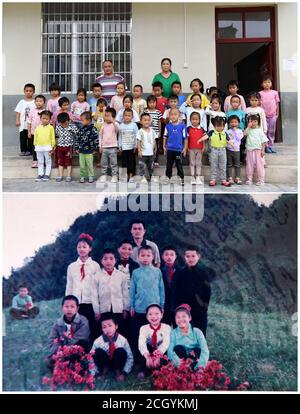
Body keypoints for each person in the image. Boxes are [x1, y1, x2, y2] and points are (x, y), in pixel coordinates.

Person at [171, 246, 215, 336]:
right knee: (183, 334)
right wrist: (177, 308)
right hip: (183, 310)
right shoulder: (179, 273)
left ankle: (199, 349)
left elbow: (207, 291)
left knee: (200, 333)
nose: (190, 259)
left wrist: (204, 307)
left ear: (198, 256)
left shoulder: (203, 273)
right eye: (188, 256)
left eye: (193, 256)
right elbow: (174, 292)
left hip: (199, 310)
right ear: (184, 257)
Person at [65, 233, 100, 340]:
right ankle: (80, 349)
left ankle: (95, 350)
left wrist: (98, 306)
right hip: (77, 303)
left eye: (84, 247)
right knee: (78, 327)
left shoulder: (95, 265)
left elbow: (99, 286)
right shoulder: (72, 267)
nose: (82, 249)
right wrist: (68, 304)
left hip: (90, 302)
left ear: (90, 249)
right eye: (79, 247)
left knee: (94, 327)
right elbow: (69, 285)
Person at [129, 246, 165, 349]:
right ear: (138, 257)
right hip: (140, 307)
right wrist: (131, 306)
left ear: (153, 257)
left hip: (154, 307)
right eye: (142, 255)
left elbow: (161, 289)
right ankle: (140, 354)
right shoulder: (136, 272)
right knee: (139, 331)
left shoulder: (157, 272)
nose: (145, 258)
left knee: (154, 332)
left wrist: (161, 305)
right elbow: (132, 290)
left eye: (148, 255)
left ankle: (155, 353)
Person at [92, 249, 130, 337]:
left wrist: (126, 309)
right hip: (104, 310)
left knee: (120, 331)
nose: (108, 261)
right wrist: (97, 311)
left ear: (115, 260)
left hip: (118, 309)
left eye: (111, 258)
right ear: (101, 261)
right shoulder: (97, 276)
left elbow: (125, 294)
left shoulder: (121, 276)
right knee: (106, 331)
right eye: (105, 259)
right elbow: (94, 295)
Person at [91, 313, 133, 381]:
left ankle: (118, 373)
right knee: (97, 352)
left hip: (118, 362)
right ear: (102, 329)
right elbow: (90, 358)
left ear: (116, 326)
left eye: (110, 326)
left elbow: (130, 357)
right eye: (104, 327)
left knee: (120, 351)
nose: (107, 329)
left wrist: (125, 372)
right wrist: (95, 373)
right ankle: (104, 372)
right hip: (105, 362)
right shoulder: (98, 341)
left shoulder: (123, 340)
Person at [168, 304, 209, 370]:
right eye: (178, 317)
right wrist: (179, 364)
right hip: (180, 359)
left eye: (184, 316)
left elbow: (205, 349)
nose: (181, 319)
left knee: (198, 350)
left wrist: (200, 367)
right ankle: (181, 370)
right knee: (178, 348)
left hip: (194, 358)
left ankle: (195, 368)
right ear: (175, 319)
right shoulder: (173, 333)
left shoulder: (197, 332)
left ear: (190, 318)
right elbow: (170, 350)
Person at [138, 304, 171, 379]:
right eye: (150, 314)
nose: (154, 317)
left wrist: (158, 355)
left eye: (157, 314)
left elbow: (166, 342)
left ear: (162, 314)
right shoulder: (143, 328)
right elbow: (141, 343)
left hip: (161, 351)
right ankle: (143, 370)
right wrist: (147, 356)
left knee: (166, 354)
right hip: (149, 351)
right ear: (146, 316)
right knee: (142, 351)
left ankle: (160, 370)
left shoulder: (166, 327)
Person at [203, 116, 232, 187]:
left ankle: (223, 179)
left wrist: (232, 144)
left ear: (223, 126)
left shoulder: (225, 133)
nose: (219, 128)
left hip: (223, 150)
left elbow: (229, 140)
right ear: (214, 126)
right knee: (213, 165)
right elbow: (206, 137)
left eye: (221, 126)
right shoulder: (212, 132)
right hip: (214, 150)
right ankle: (213, 179)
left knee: (223, 165)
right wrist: (200, 139)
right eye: (217, 126)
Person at [163, 108, 188, 185]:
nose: (173, 116)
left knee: (179, 164)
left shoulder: (182, 126)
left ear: (179, 116)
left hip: (178, 150)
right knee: (169, 164)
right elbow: (165, 137)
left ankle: (181, 178)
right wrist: (164, 147)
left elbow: (185, 138)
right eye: (171, 114)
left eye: (175, 114)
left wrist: (185, 148)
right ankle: (168, 178)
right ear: (169, 116)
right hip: (170, 150)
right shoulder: (167, 126)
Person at [74, 111, 99, 184]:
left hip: (90, 151)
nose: (81, 122)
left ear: (88, 120)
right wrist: (76, 148)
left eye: (82, 120)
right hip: (81, 151)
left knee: (89, 164)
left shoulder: (93, 129)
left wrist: (95, 149)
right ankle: (82, 176)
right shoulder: (81, 129)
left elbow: (96, 139)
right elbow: (77, 139)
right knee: (82, 165)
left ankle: (91, 176)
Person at [244, 114, 268, 186]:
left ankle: (261, 179)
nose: (253, 123)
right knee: (249, 165)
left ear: (258, 122)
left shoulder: (260, 131)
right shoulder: (248, 130)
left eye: (255, 121)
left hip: (258, 150)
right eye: (251, 121)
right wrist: (248, 127)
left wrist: (263, 150)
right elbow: (244, 134)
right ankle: (249, 179)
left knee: (259, 165)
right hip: (249, 150)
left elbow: (264, 141)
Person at [55, 112, 79, 182]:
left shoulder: (72, 127)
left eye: (65, 123)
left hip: (69, 147)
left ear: (69, 120)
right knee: (60, 162)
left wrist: (76, 146)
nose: (63, 125)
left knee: (69, 162)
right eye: (61, 123)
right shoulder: (58, 127)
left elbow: (77, 134)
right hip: (59, 147)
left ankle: (68, 176)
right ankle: (60, 175)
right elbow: (57, 134)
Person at [259, 75, 280, 153]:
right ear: (262, 84)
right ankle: (266, 146)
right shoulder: (260, 93)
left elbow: (277, 104)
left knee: (271, 131)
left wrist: (277, 114)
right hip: (263, 116)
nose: (267, 84)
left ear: (271, 83)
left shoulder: (275, 93)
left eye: (268, 82)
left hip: (273, 115)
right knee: (265, 131)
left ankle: (271, 146)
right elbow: (258, 104)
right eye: (265, 82)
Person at [33, 110, 55, 182]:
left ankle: (47, 174)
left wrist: (53, 146)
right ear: (40, 118)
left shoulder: (51, 127)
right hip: (38, 147)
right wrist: (35, 145)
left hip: (47, 147)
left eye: (47, 119)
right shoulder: (37, 127)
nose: (45, 120)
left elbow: (52, 137)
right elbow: (35, 137)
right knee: (40, 161)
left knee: (48, 161)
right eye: (43, 118)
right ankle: (40, 174)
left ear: (49, 119)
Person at [15, 83, 36, 156]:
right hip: (23, 124)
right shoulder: (21, 102)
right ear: (24, 91)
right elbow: (18, 112)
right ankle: (23, 150)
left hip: (31, 124)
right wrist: (17, 120)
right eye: (26, 91)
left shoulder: (35, 102)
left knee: (30, 138)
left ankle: (30, 150)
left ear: (33, 92)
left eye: (30, 91)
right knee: (23, 137)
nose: (28, 92)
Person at [99, 107, 119, 183]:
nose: (106, 117)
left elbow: (118, 130)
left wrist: (113, 121)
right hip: (104, 147)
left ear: (113, 117)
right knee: (104, 163)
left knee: (114, 163)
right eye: (105, 115)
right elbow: (100, 136)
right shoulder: (103, 125)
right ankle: (104, 175)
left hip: (113, 147)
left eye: (108, 116)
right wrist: (100, 146)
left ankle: (114, 176)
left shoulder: (115, 124)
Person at [160, 246, 180, 325]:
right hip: (164, 306)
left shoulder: (181, 271)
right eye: (166, 254)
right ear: (162, 256)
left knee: (179, 329)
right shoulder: (159, 271)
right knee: (165, 330)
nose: (169, 257)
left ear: (176, 256)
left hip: (178, 306)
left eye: (172, 255)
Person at [187, 112, 208, 185]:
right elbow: (186, 139)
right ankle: (192, 177)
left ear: (199, 120)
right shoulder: (188, 129)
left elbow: (204, 139)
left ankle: (198, 177)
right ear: (190, 120)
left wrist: (204, 147)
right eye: (193, 119)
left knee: (198, 163)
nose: (194, 121)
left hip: (199, 149)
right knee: (192, 162)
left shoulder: (202, 129)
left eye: (196, 119)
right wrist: (187, 147)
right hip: (191, 148)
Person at [118, 108, 138, 182]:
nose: (127, 117)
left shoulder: (134, 125)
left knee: (131, 163)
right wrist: (119, 145)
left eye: (129, 116)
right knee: (124, 162)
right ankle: (124, 176)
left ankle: (131, 175)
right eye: (125, 115)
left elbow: (137, 136)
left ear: (132, 117)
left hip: (131, 147)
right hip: (124, 147)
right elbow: (119, 136)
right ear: (123, 116)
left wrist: (136, 145)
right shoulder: (121, 125)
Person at [137, 112, 157, 183]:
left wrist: (155, 148)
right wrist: (139, 150)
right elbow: (138, 141)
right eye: (145, 120)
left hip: (151, 153)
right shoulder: (140, 131)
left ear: (150, 121)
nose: (146, 122)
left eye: (148, 120)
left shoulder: (152, 131)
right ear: (141, 121)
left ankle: (152, 176)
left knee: (151, 166)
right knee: (142, 166)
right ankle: (142, 177)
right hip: (143, 153)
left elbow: (154, 140)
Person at [27, 94, 46, 168]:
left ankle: (42, 161)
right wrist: (29, 132)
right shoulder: (32, 111)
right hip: (33, 133)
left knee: (43, 147)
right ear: (35, 102)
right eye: (37, 101)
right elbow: (29, 122)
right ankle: (35, 161)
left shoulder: (45, 111)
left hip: (43, 134)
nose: (38, 102)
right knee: (35, 147)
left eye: (40, 101)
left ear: (44, 102)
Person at [144, 95, 162, 166]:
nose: (152, 104)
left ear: (156, 103)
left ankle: (155, 160)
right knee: (147, 146)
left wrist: (159, 132)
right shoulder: (146, 111)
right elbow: (143, 120)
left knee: (155, 146)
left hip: (155, 133)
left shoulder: (158, 112)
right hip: (147, 133)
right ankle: (148, 160)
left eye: (153, 102)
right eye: (150, 102)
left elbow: (159, 122)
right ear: (147, 103)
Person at [226, 115, 244, 185]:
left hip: (237, 150)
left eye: (235, 122)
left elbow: (239, 138)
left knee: (237, 164)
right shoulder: (227, 132)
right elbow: (227, 140)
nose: (234, 124)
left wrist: (235, 131)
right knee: (229, 164)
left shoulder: (240, 131)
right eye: (232, 122)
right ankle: (229, 177)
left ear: (238, 123)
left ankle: (237, 177)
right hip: (229, 150)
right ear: (229, 123)